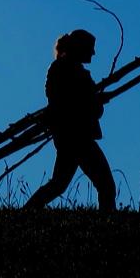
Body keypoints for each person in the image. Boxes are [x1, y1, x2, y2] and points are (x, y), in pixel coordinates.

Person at [23, 29, 117, 211]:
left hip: (70, 137)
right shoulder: (64, 70)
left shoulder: (67, 70)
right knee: (106, 186)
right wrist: (93, 102)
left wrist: (95, 102)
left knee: (59, 184)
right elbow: (66, 102)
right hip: (77, 138)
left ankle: (26, 212)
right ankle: (109, 224)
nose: (93, 53)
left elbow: (89, 107)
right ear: (80, 48)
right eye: (91, 48)